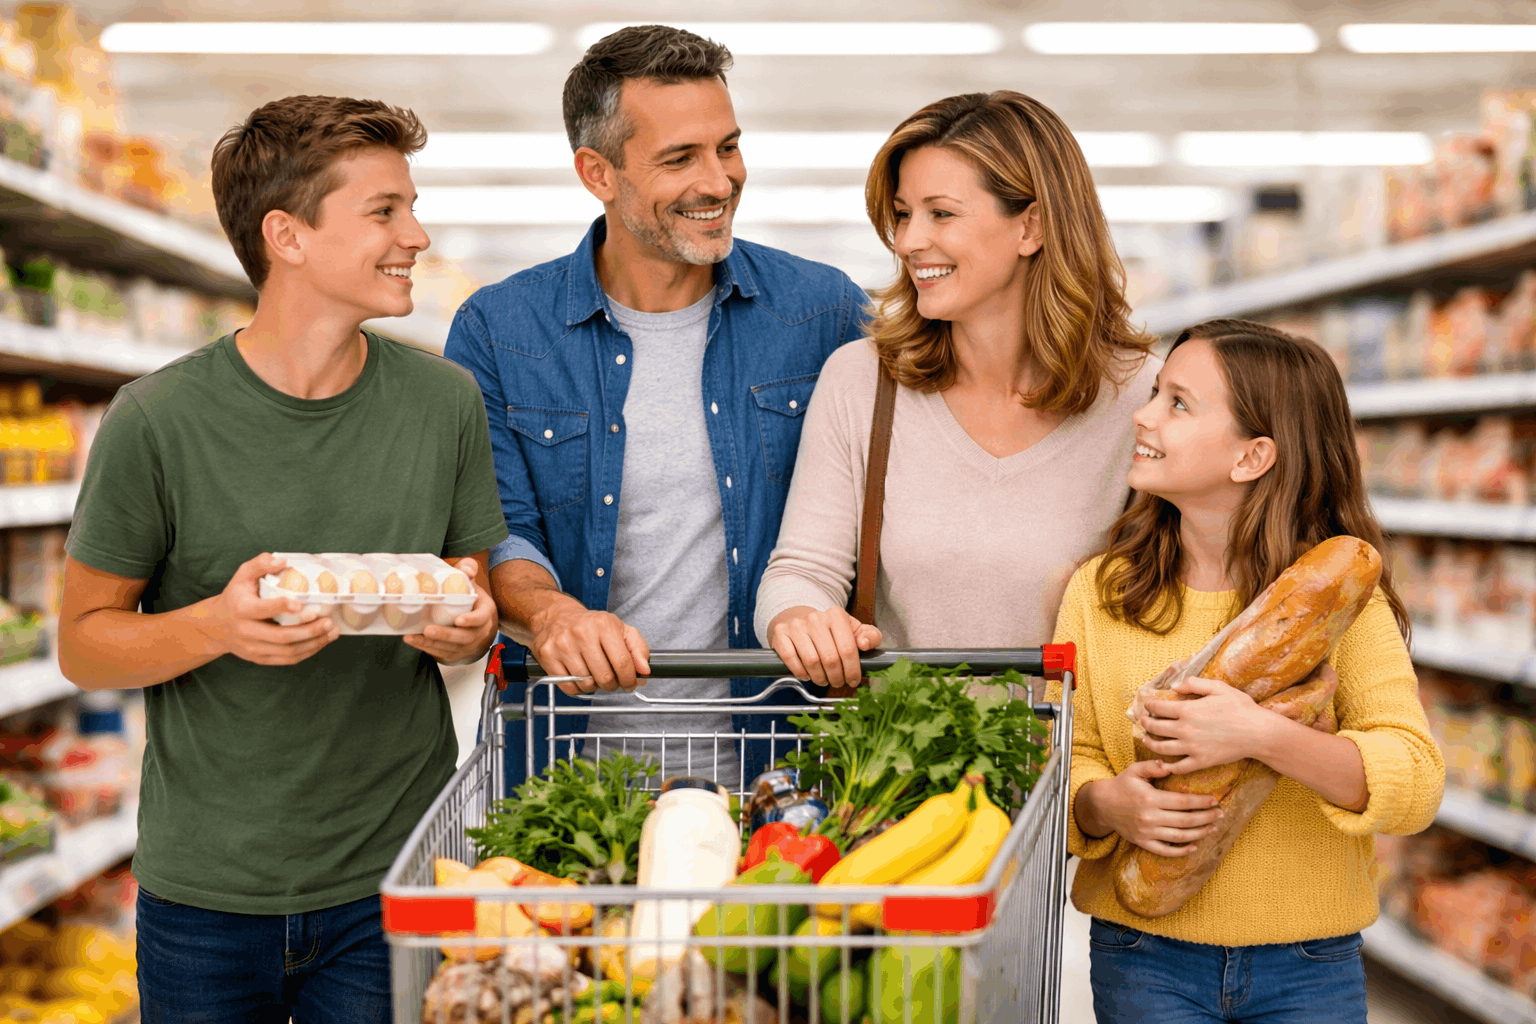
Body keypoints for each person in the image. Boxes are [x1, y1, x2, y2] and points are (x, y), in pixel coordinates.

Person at [56, 96, 507, 1021]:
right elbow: (83, 644)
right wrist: (219, 625)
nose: (415, 235)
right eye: (384, 211)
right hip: (206, 897)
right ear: (286, 235)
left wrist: (467, 629)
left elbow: (473, 607)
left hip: (394, 877)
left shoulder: (444, 403)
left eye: (410, 208)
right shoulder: (157, 420)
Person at [445, 24, 869, 791]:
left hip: (785, 777)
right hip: (566, 777)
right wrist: (551, 614)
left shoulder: (823, 313)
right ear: (597, 172)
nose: (719, 181)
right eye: (680, 158)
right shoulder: (501, 330)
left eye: (728, 147)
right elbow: (495, 524)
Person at [1055, 319, 1444, 1024]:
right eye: (1154, 394)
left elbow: (1414, 779)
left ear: (1252, 456)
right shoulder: (1101, 592)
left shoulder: (1338, 601)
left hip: (1307, 965)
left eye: (1178, 403)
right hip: (1143, 953)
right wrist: (1107, 803)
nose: (1142, 416)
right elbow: (1071, 754)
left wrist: (1258, 735)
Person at [756, 91, 1156, 680]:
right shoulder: (863, 380)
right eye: (902, 214)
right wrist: (800, 618)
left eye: (940, 214)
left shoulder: (1143, 398)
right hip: (903, 765)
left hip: (1078, 766)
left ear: (1032, 226)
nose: (909, 241)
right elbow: (804, 570)